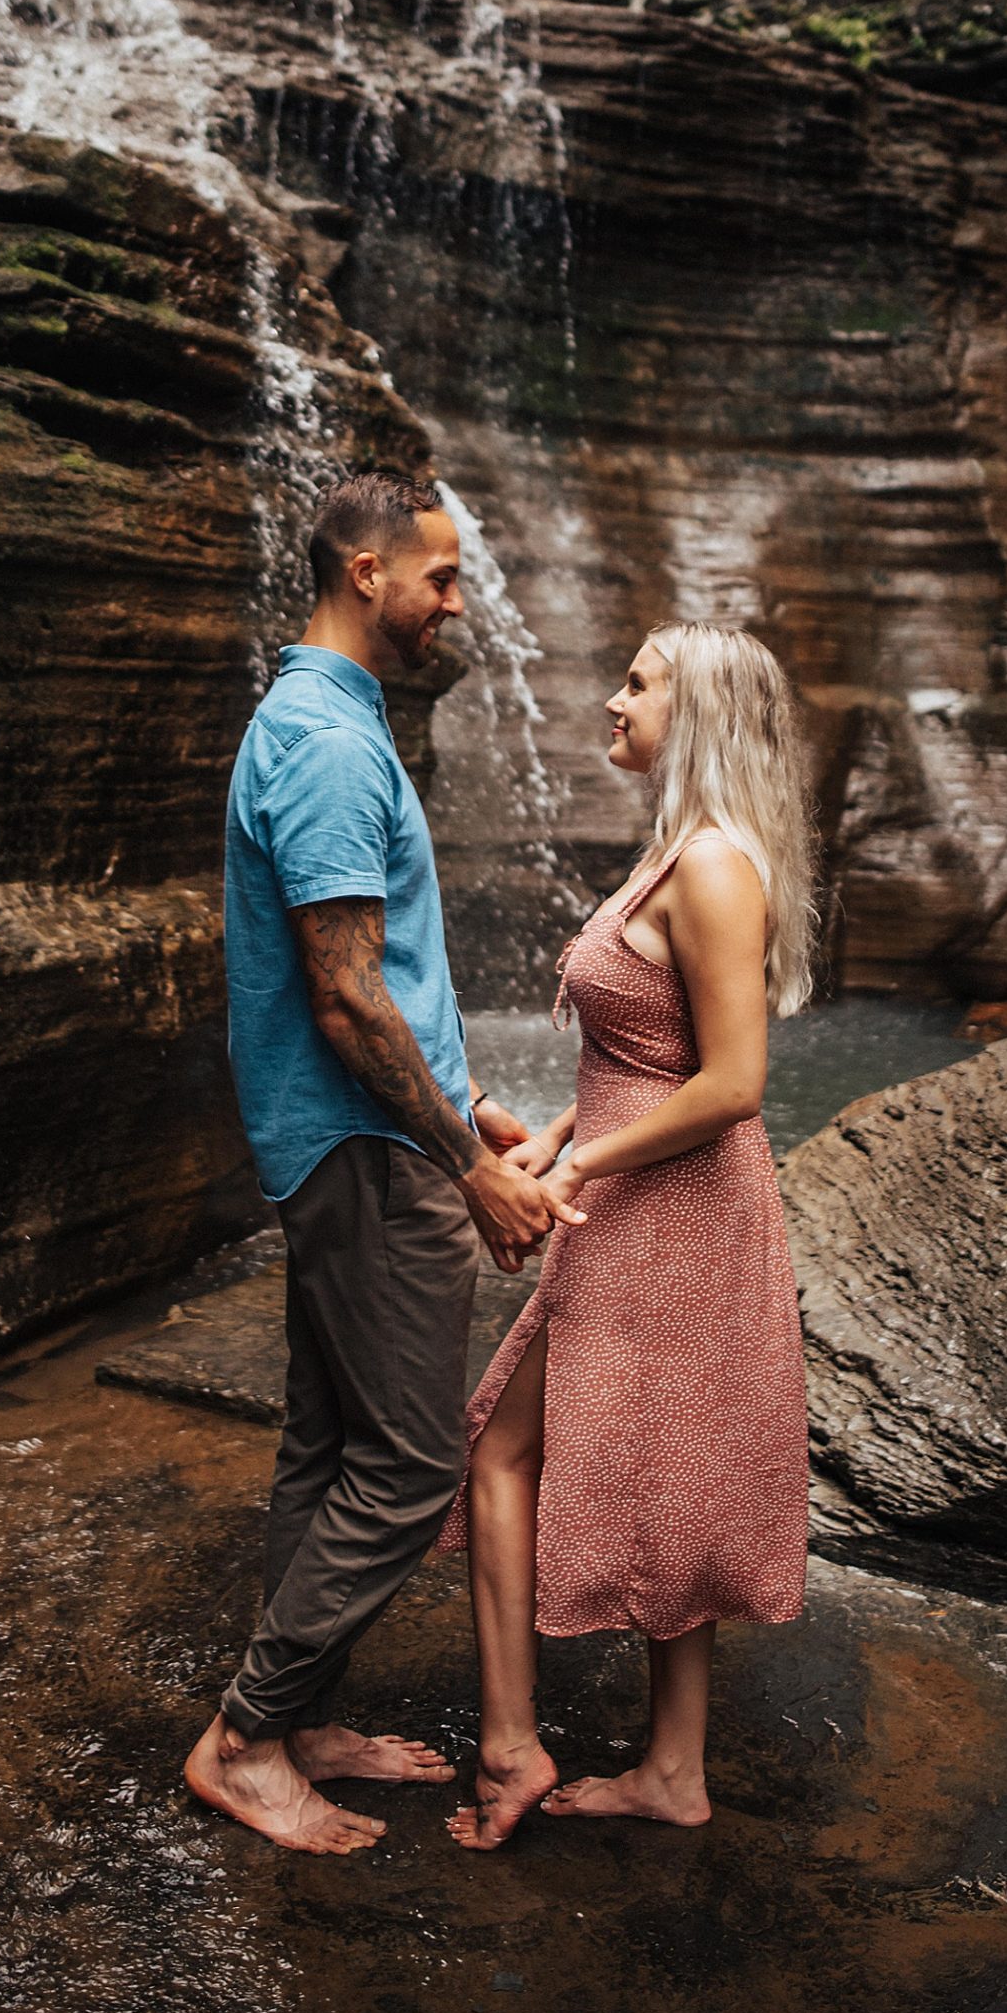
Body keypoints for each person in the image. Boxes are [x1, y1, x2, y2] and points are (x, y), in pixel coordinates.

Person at [184, 468, 580, 1858]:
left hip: (355, 1134)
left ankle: (290, 1719)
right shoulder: (333, 744)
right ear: (369, 572)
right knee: (414, 1469)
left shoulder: (321, 721)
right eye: (446, 576)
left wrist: (468, 1114)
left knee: (331, 1444)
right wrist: (460, 1167)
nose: (457, 602)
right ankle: (244, 1739)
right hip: (360, 1148)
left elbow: (379, 982)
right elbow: (346, 994)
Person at [440, 621, 817, 1847]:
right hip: (639, 1196)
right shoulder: (680, 852)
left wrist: (583, 1162)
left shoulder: (713, 868)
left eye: (640, 684)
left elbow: (735, 1081)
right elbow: (643, 1057)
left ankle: (512, 1752)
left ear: (695, 712)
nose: (613, 698)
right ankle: (673, 1768)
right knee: (667, 1462)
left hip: (672, 1209)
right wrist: (553, 1132)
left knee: (499, 1452)